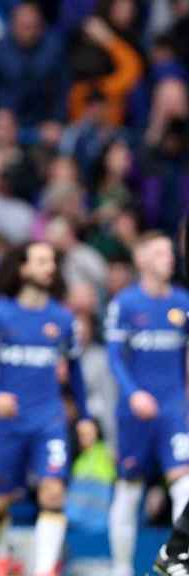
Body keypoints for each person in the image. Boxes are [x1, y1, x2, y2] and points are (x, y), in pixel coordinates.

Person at [0, 241, 93, 576]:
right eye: (41, 261)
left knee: (53, 493)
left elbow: (76, 374)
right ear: (23, 269)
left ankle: (43, 569)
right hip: (7, 422)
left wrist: (84, 417)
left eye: (52, 261)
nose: (49, 267)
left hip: (48, 419)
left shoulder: (63, 320)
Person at [105, 231, 189, 576]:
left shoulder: (183, 302)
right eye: (159, 252)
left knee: (185, 482)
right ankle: (121, 568)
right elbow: (114, 357)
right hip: (134, 409)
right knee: (129, 487)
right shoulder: (124, 303)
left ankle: (181, 560)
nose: (168, 258)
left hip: (174, 407)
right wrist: (133, 393)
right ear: (141, 259)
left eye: (170, 253)